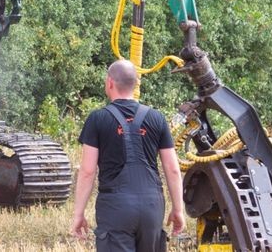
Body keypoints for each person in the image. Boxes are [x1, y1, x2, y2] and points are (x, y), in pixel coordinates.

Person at [70, 59, 186, 251]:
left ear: (109, 83)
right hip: (152, 206)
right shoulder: (157, 118)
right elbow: (173, 169)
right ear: (135, 84)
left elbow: (88, 171)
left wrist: (78, 214)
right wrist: (178, 209)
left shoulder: (97, 119)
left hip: (116, 208)